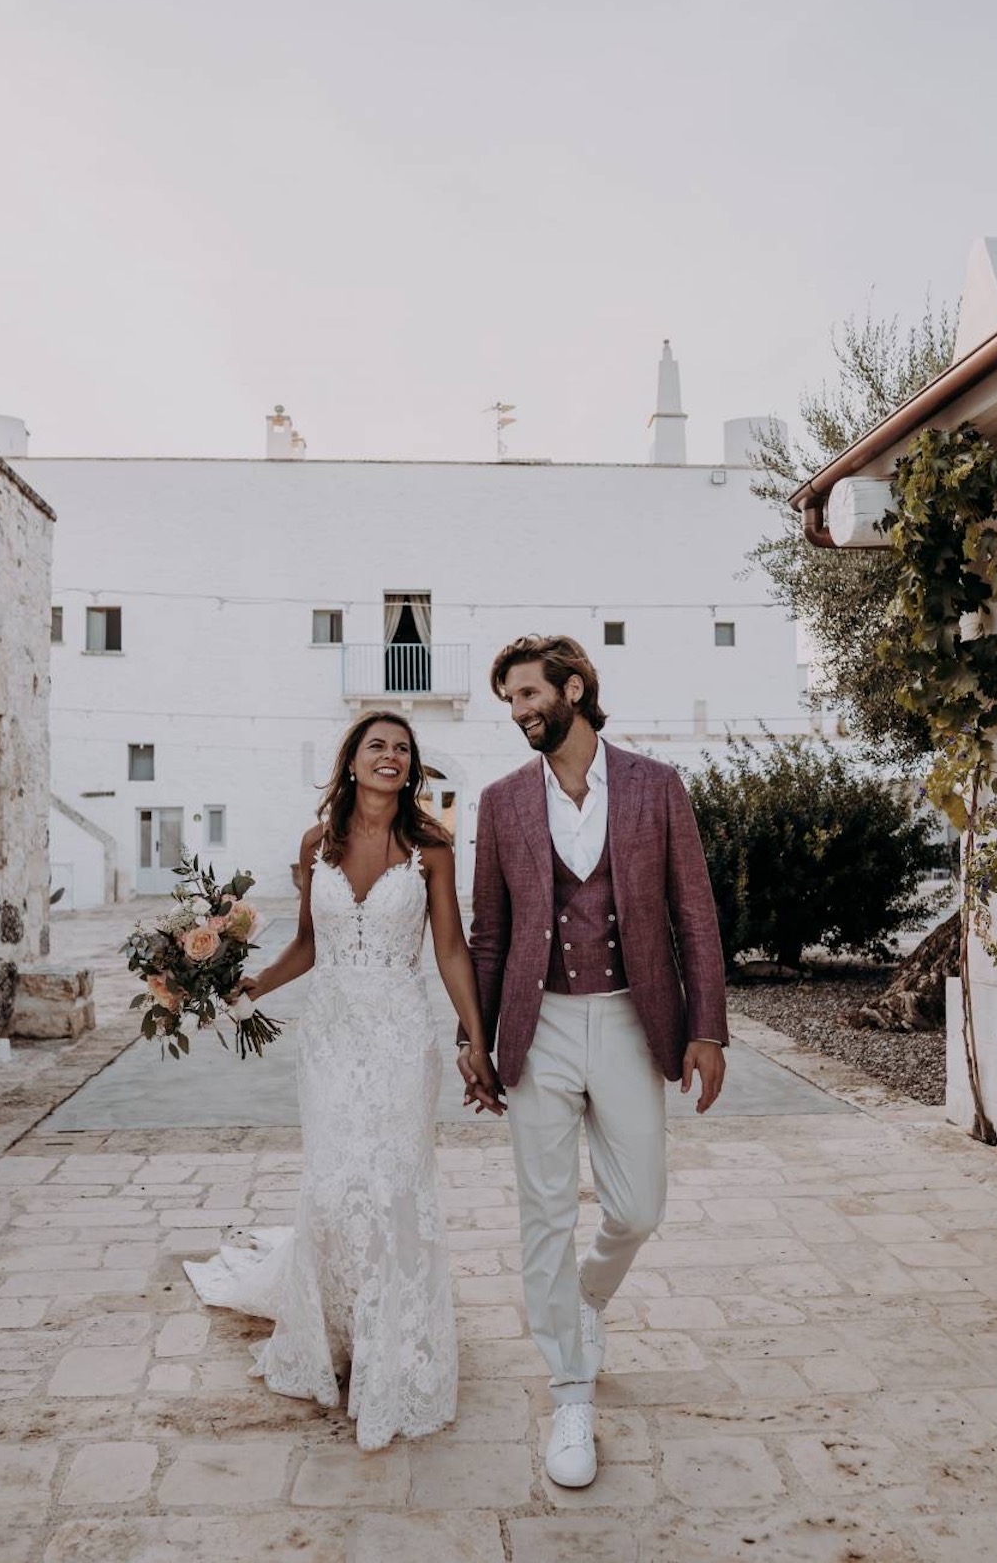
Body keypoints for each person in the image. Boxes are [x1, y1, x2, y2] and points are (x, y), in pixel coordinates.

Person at [185, 710, 500, 1451]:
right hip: (329, 1036)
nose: (389, 757)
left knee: (392, 1184)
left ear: (411, 767)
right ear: (351, 761)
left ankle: (396, 1345)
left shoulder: (433, 848)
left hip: (397, 1034)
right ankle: (340, 1328)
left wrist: (474, 1039)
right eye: (376, 747)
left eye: (401, 749)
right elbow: (307, 944)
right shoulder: (315, 844)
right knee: (331, 1184)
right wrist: (247, 988)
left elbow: (450, 949)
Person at [457, 634, 727, 1488]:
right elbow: (489, 933)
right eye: (509, 701)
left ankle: (588, 1299)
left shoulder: (655, 786)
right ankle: (569, 1393)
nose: (519, 712)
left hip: (625, 1018)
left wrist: (707, 1028)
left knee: (638, 1206)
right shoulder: (500, 802)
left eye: (530, 694)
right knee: (542, 1214)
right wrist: (477, 1038)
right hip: (536, 1031)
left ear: (574, 687)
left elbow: (695, 914)